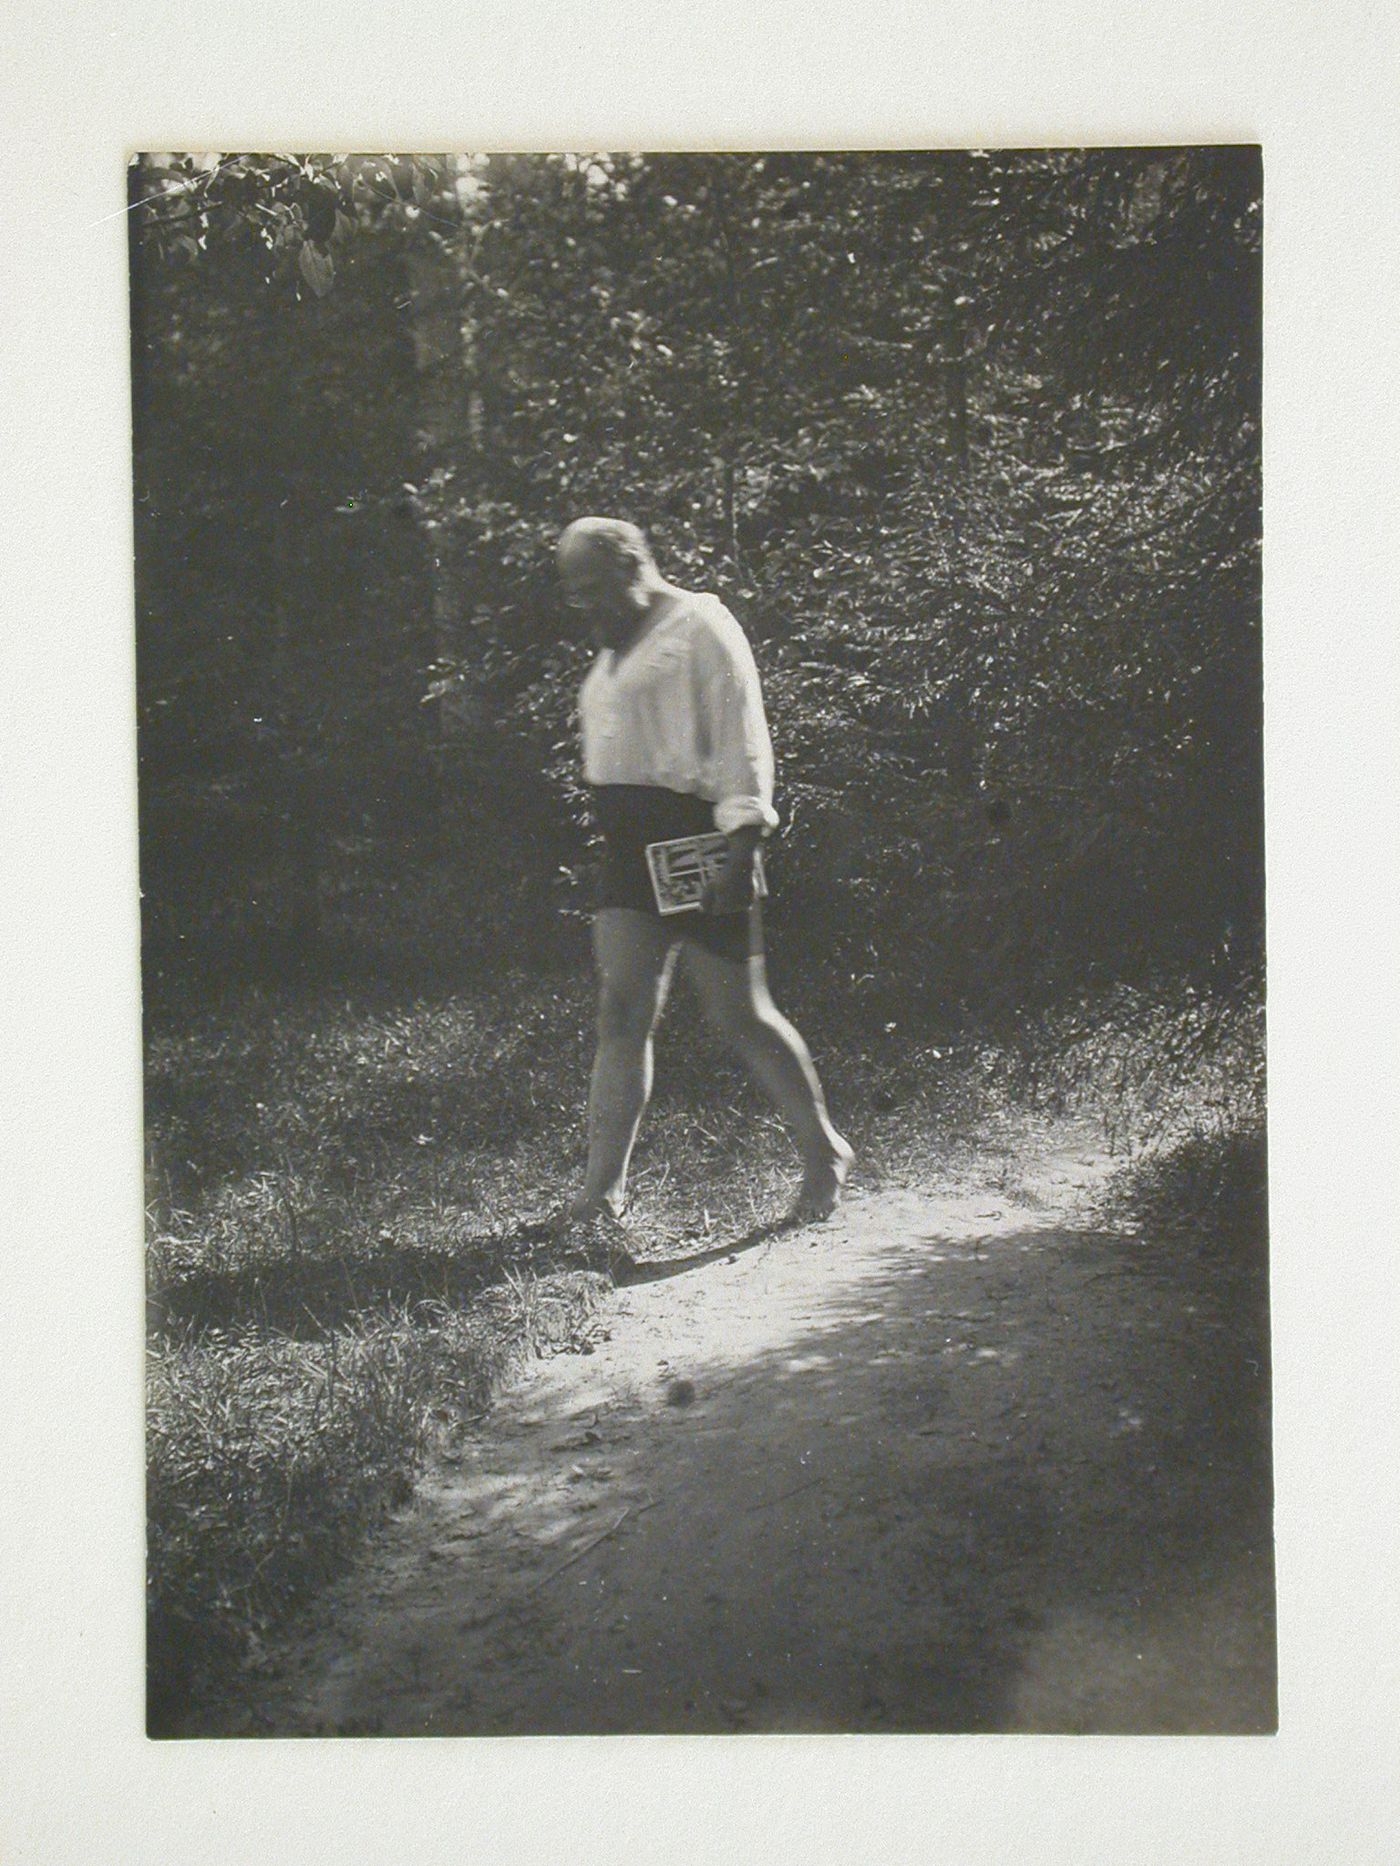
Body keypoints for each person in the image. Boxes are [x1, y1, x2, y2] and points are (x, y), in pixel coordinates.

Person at [556, 516, 852, 1259]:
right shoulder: (612, 644)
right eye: (574, 591)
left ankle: (823, 1155)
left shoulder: (700, 625)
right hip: (627, 849)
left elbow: (742, 735)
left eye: (593, 586)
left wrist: (741, 844)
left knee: (740, 1014)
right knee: (621, 1010)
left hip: (697, 839)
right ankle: (600, 1194)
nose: (583, 603)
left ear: (632, 566)